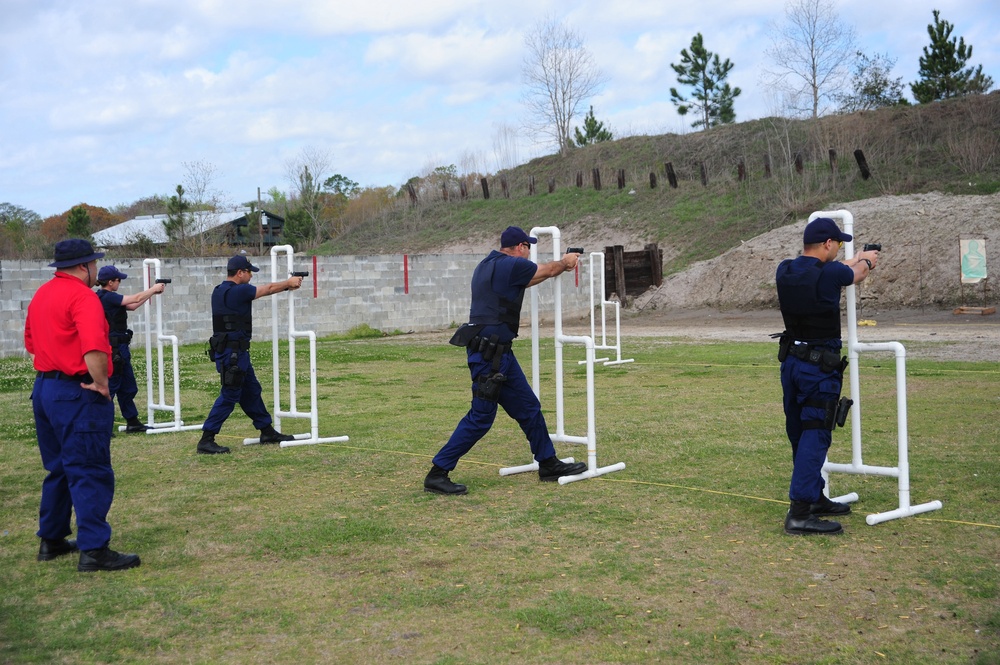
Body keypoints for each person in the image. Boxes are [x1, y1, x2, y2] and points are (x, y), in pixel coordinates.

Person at [424, 226, 589, 495]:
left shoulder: (486, 265)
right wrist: (565, 263)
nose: (528, 253)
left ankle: (547, 463)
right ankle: (437, 472)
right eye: (529, 248)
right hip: (490, 355)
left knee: (529, 407)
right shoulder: (512, 265)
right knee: (481, 417)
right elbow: (544, 271)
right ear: (521, 246)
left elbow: (529, 279)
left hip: (497, 353)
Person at [25, 239, 141, 571]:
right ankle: (93, 549)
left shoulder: (42, 295)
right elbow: (93, 346)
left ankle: (52, 539)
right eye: (94, 265)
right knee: (89, 469)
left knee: (59, 467)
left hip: (45, 388)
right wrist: (102, 384)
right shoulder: (83, 298)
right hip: (77, 391)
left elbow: (31, 343)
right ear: (84, 267)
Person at [775, 217, 880, 535]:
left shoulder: (786, 270)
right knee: (816, 433)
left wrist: (854, 257)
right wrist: (867, 260)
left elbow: (830, 270)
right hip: (818, 370)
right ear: (828, 245)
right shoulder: (833, 272)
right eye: (836, 244)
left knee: (800, 433)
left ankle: (814, 495)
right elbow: (855, 273)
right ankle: (801, 512)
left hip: (792, 363)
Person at [196, 254, 304, 454]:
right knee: (229, 395)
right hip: (233, 354)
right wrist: (289, 283)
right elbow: (269, 289)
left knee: (251, 391)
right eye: (249, 273)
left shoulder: (218, 291)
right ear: (240, 273)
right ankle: (206, 438)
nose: (251, 277)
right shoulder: (240, 290)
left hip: (233, 352)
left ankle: (267, 431)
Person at [95, 265, 166, 433]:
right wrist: (153, 289)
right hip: (115, 349)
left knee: (128, 387)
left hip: (119, 347)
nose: (120, 283)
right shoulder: (107, 297)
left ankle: (132, 421)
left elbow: (133, 305)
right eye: (118, 280)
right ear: (110, 282)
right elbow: (135, 298)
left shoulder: (107, 298)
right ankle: (102, 426)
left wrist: (152, 293)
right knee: (111, 387)